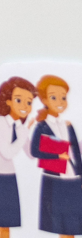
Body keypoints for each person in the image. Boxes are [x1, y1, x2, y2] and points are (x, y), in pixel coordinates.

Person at [0, 76, 36, 237]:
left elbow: (30, 154)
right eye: (19, 100)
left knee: (7, 224)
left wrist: (36, 134)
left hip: (8, 176)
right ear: (8, 101)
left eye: (29, 102)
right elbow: (7, 153)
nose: (25, 106)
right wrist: (23, 135)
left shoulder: (20, 127)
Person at [30, 75, 82, 238]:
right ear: (44, 99)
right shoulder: (42, 126)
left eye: (63, 98)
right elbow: (34, 151)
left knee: (73, 225)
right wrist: (57, 155)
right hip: (54, 180)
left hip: (73, 179)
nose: (60, 102)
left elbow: (76, 154)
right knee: (60, 226)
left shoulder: (68, 125)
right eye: (54, 97)